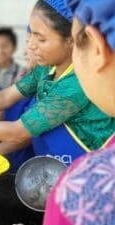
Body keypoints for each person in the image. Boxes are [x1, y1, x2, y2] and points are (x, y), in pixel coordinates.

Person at [0, 0, 115, 169]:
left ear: (71, 41)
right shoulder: (46, 69)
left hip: (81, 170)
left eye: (40, 39)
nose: (31, 45)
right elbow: (5, 96)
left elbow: (18, 131)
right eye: (30, 34)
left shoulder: (76, 83)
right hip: (49, 164)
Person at [43, 0, 115, 224]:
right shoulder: (41, 73)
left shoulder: (87, 189)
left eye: (75, 43)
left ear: (96, 48)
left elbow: (21, 129)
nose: (31, 46)